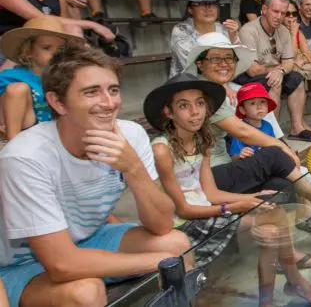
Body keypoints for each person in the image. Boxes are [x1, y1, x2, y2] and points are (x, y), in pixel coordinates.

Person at [0, 45, 190, 307]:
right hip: (19, 264)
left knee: (177, 242)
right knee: (85, 293)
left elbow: (162, 225)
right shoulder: (26, 156)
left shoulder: (130, 134)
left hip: (87, 239)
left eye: (113, 90)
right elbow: (61, 264)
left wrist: (134, 170)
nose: (109, 103)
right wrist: (159, 261)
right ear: (58, 102)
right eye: (91, 92)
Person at [145, 74, 311, 304]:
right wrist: (236, 206)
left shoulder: (201, 142)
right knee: (273, 227)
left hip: (206, 213)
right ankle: (290, 285)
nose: (195, 112)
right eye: (184, 105)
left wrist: (254, 197)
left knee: (276, 217)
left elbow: (210, 193)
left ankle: (272, 297)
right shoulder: (162, 150)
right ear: (168, 112)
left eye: (200, 103)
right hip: (184, 227)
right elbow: (183, 210)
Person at [185, 33, 311, 239]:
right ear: (200, 63)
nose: (224, 64)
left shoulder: (216, 90)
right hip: (205, 175)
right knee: (274, 154)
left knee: (280, 185)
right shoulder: (201, 94)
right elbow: (242, 132)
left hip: (223, 170)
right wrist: (283, 148)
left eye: (228, 58)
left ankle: (288, 256)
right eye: (215, 58)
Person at [238, 0, 311, 141]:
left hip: (270, 71)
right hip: (246, 78)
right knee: (275, 81)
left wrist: (280, 69)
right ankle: (271, 135)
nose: (279, 16)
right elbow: (252, 69)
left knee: (297, 78)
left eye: (283, 13)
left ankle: (297, 128)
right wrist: (277, 69)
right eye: (275, 11)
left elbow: (288, 62)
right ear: (264, 9)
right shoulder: (249, 30)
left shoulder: (283, 31)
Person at [0, 17, 81, 139]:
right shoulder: (12, 76)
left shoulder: (65, 76)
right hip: (23, 129)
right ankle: (12, 144)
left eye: (60, 49)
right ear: (28, 52)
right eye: (46, 47)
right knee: (17, 89)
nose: (55, 53)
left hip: (53, 132)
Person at [169, 0, 240, 77]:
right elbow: (192, 67)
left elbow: (239, 61)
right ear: (190, 9)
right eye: (201, 4)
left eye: (212, 3)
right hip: (188, 84)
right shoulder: (182, 31)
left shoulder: (224, 29)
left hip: (223, 79)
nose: (208, 8)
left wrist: (234, 37)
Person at [229, 82, 279, 159]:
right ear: (242, 110)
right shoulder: (240, 130)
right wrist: (240, 155)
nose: (259, 106)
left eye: (262, 101)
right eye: (252, 103)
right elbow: (233, 157)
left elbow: (275, 147)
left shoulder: (268, 126)